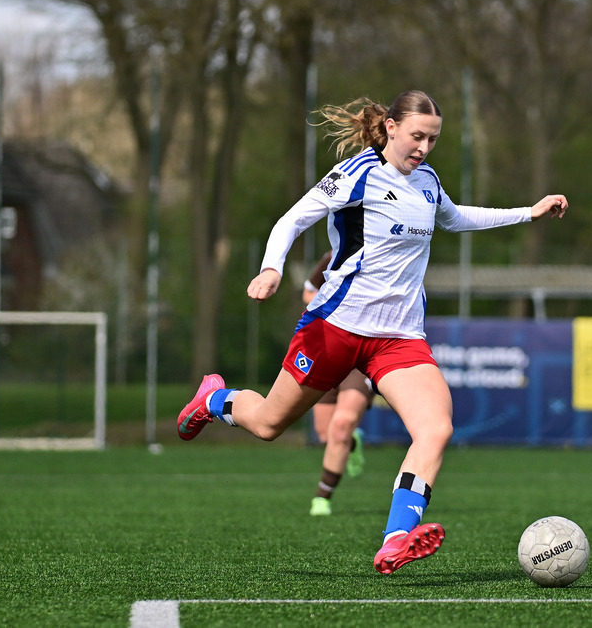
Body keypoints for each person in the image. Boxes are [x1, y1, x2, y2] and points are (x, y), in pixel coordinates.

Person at [177, 89, 568, 574]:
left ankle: (395, 539)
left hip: (399, 337)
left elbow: (456, 215)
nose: (424, 148)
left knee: (436, 428)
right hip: (336, 327)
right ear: (390, 128)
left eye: (433, 139)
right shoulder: (357, 174)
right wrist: (271, 269)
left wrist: (526, 212)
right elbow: (292, 219)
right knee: (268, 425)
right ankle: (214, 399)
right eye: (416, 136)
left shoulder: (426, 180)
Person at [302, 250, 375, 517]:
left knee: (340, 426)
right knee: (326, 434)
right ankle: (353, 443)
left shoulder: (389, 251)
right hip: (327, 350)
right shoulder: (336, 253)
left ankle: (322, 498)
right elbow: (308, 292)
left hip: (363, 354)